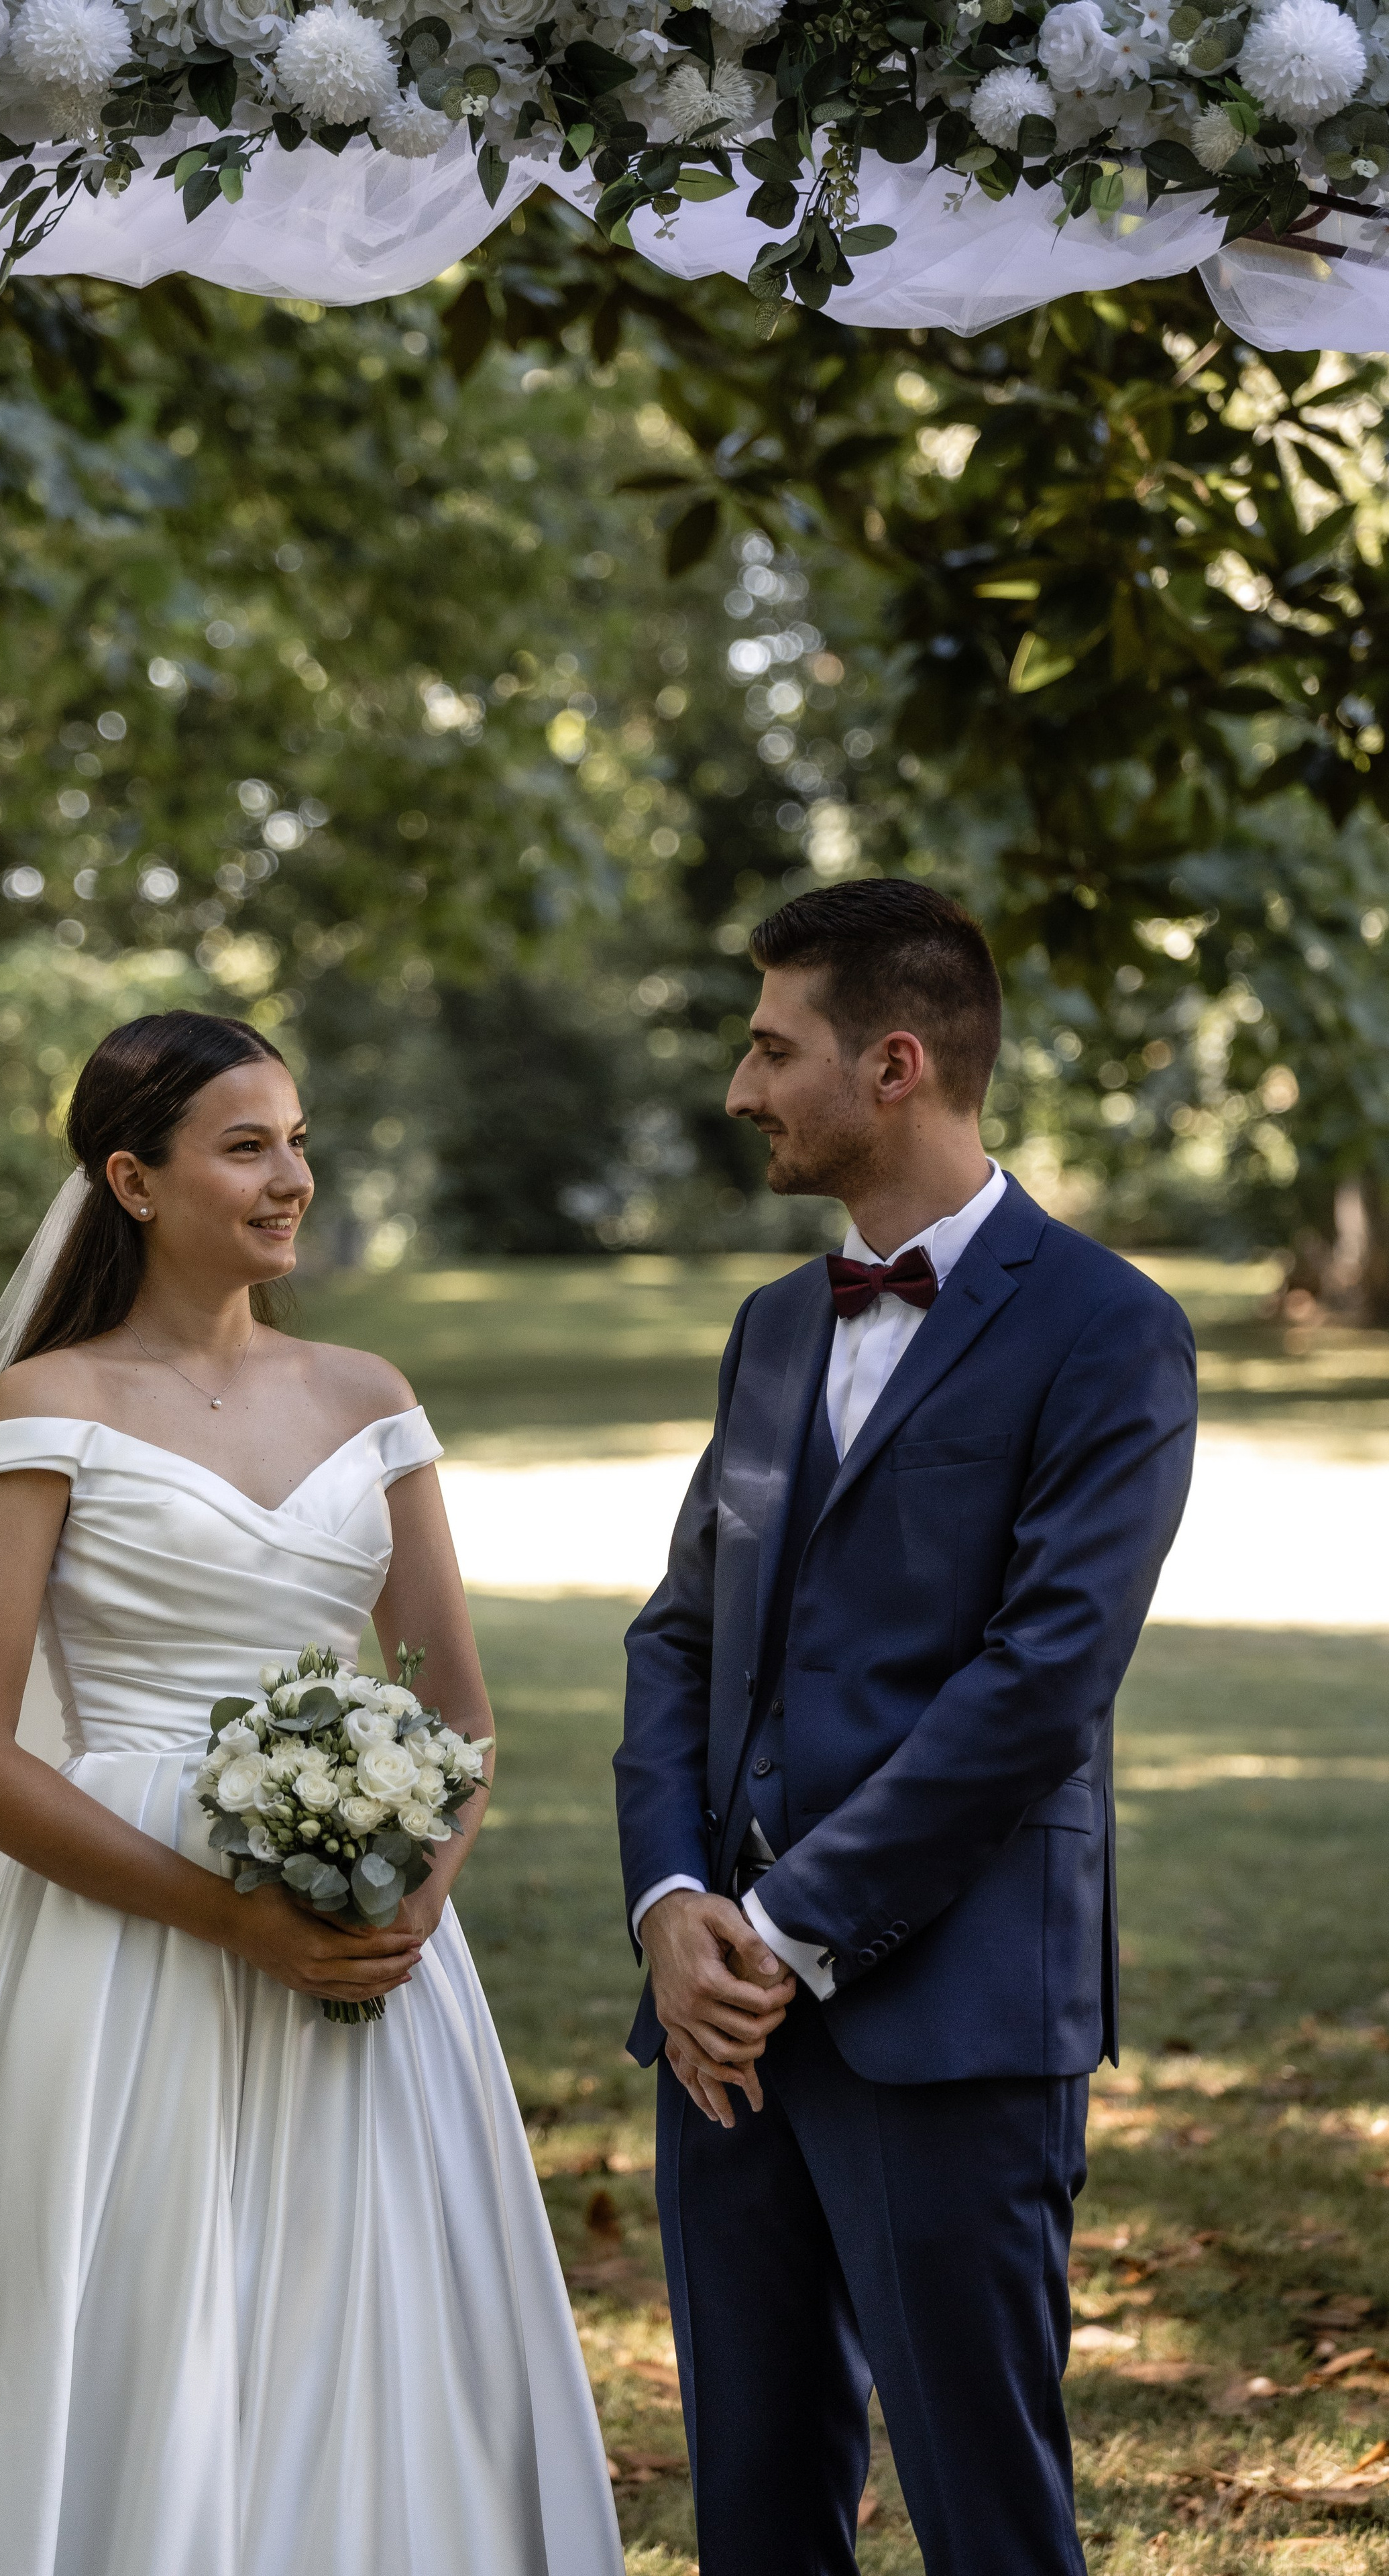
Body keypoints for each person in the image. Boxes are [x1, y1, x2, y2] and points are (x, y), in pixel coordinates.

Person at [0, 1010, 623, 2576]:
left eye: (296, 1140)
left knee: (369, 2322)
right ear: (133, 1183)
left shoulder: (367, 1394)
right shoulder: (48, 1405)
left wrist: (401, 1896)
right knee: (130, 2316)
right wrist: (233, 1918)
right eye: (246, 1147)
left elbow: (457, 1711)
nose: (293, 1178)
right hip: (119, 1946)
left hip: (369, 1955)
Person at [616, 881, 1198, 2576]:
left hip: (946, 2013)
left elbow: (1039, 1683)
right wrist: (670, 1910)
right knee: (754, 2498)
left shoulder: (1109, 1330)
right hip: (717, 2022)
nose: (738, 1090)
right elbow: (677, 1641)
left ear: (891, 1064)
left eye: (766, 1047)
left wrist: (788, 1930)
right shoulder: (776, 1326)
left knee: (985, 2509)